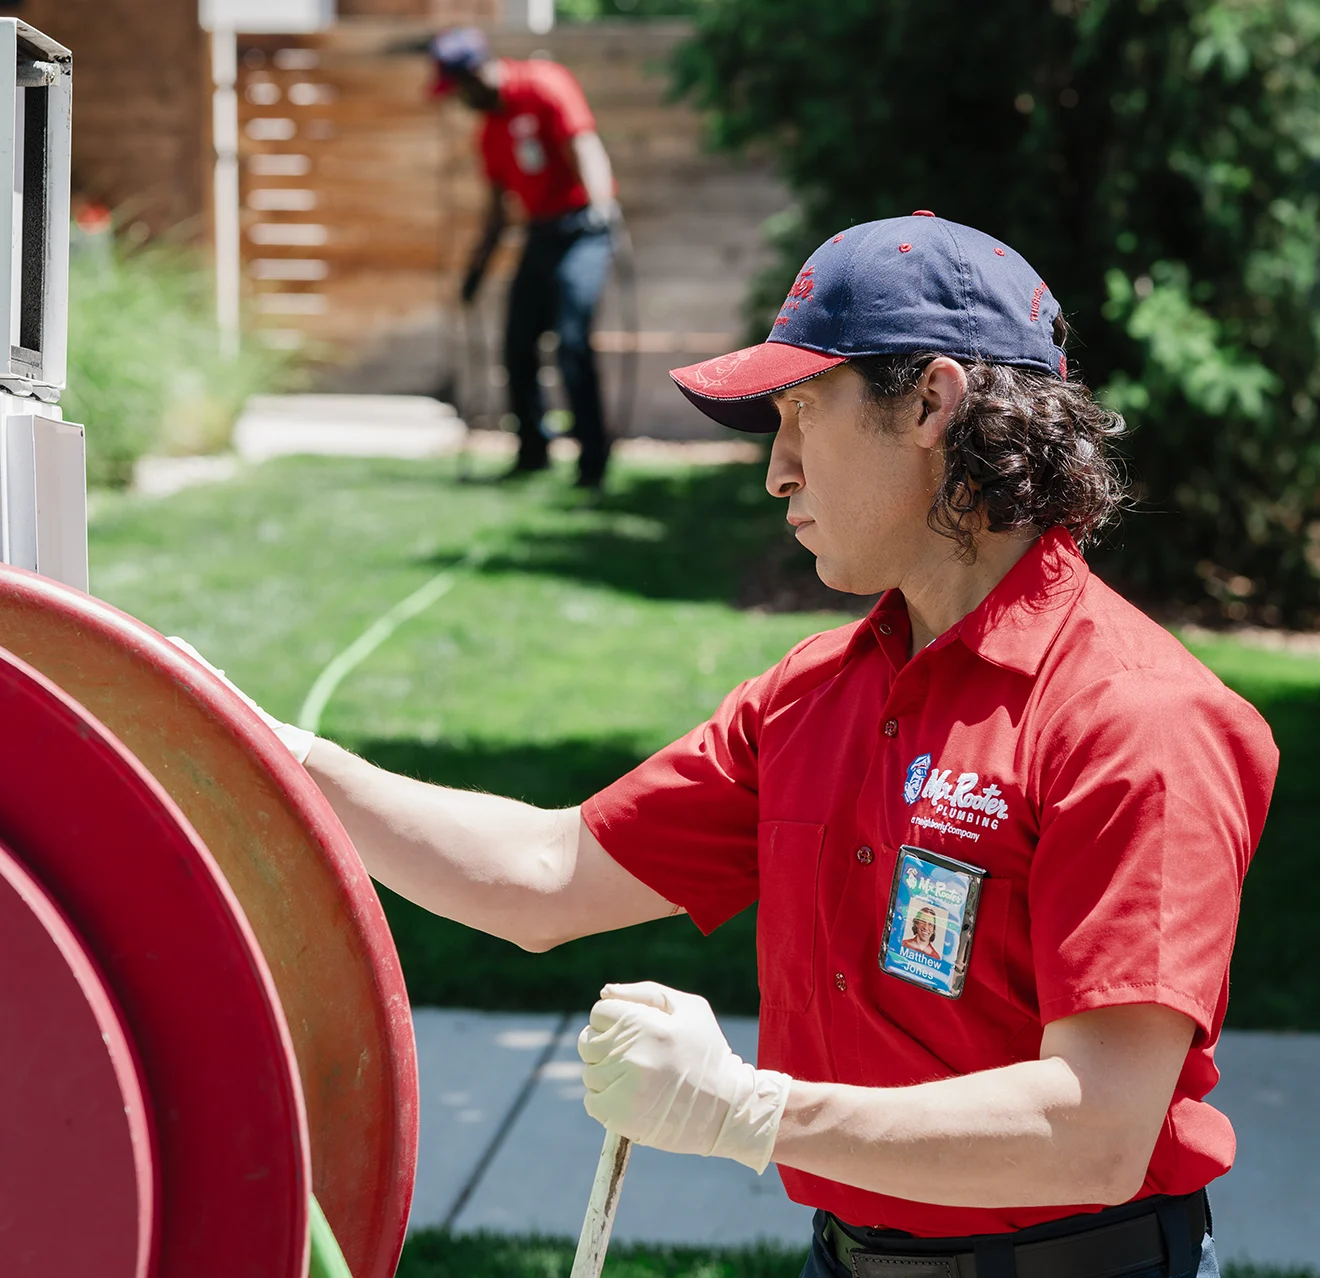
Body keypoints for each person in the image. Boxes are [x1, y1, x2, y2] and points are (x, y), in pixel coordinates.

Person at [183, 213, 1278, 1278]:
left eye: (802, 410)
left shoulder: (1136, 721)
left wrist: (746, 1108)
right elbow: (545, 876)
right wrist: (271, 752)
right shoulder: (811, 698)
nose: (777, 470)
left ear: (931, 404)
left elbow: (1097, 1128)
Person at [430, 27, 617, 488]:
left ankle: (592, 463)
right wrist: (477, 270)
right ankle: (532, 454)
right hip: (539, 232)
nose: (457, 100)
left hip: (582, 230)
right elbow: (498, 212)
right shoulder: (489, 132)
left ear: (475, 74)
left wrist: (600, 207)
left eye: (457, 89)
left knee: (572, 343)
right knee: (516, 345)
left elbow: (585, 145)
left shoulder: (543, 83)